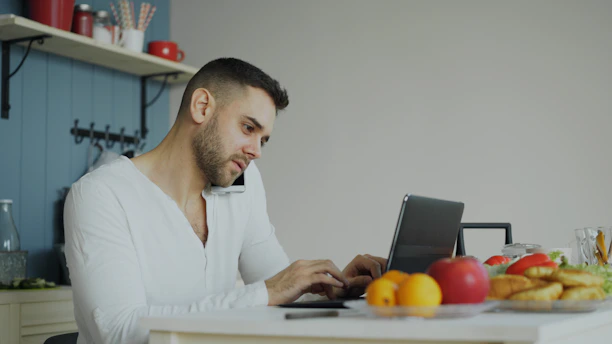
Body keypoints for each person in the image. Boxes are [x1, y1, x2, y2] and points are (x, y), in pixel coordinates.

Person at [64, 57, 387, 344]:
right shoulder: (100, 195)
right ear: (202, 107)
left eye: (263, 139)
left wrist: (334, 290)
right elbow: (119, 332)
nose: (256, 151)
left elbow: (277, 294)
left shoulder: (246, 184)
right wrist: (269, 291)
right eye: (248, 128)